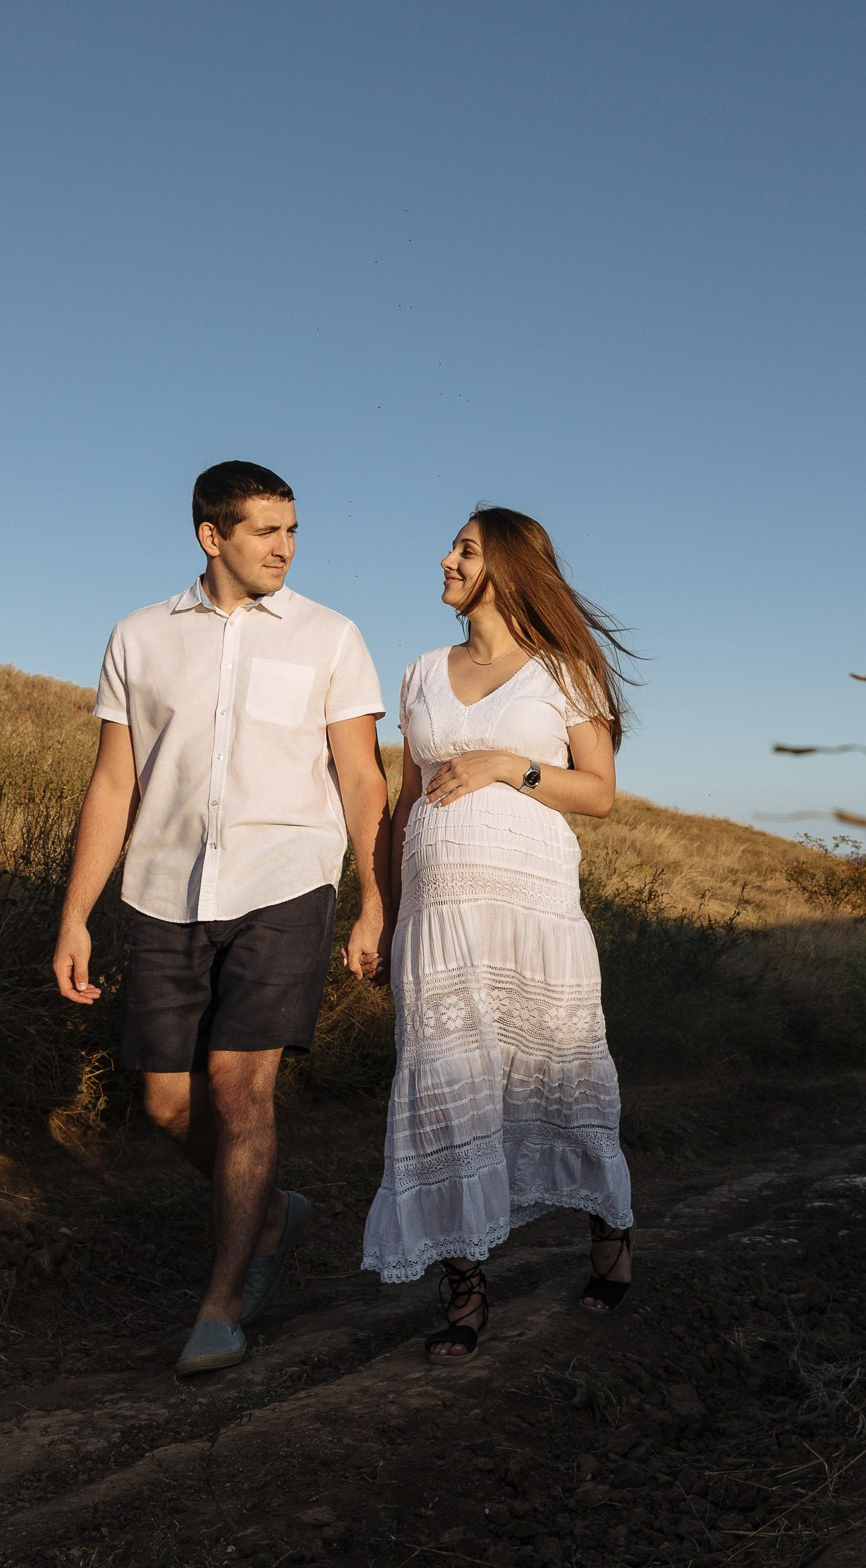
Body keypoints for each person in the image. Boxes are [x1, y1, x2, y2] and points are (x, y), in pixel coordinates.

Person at [53, 460, 389, 1376]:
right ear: (213, 536)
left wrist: (374, 896)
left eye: (292, 532)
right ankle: (274, 1211)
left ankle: (221, 1304)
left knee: (241, 1091)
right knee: (167, 1103)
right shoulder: (140, 637)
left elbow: (362, 777)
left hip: (285, 880)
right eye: (266, 532)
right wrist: (76, 914)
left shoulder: (330, 636)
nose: (285, 547)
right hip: (164, 888)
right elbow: (114, 781)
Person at [361, 505, 636, 1362]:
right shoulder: (418, 673)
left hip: (533, 914)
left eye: (466, 549)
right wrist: (383, 907)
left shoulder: (564, 671)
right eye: (454, 546)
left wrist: (505, 765)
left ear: (508, 568)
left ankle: (610, 1233)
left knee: (560, 1074)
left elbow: (598, 792)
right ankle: (466, 1287)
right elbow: (404, 803)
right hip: (440, 918)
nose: (446, 559)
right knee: (446, 1090)